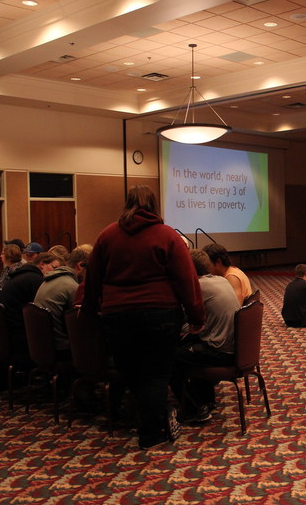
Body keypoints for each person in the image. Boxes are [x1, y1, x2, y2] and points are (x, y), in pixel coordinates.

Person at [82, 185, 204, 449]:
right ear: (154, 205)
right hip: (161, 314)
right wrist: (196, 315)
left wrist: (90, 313)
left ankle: (151, 422)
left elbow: (92, 279)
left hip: (117, 315)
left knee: (133, 374)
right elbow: (187, 280)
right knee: (157, 375)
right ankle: (151, 432)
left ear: (127, 203)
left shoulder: (107, 235)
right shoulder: (167, 236)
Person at [172, 249, 239, 422]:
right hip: (232, 347)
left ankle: (195, 409)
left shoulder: (198, 286)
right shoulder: (220, 280)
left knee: (169, 358)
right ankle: (206, 400)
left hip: (220, 352)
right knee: (189, 343)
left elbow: (182, 317)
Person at [0, 252, 60, 355]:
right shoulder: (35, 280)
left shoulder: (23, 276)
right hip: (20, 336)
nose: (56, 272)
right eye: (54, 268)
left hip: (8, 332)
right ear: (42, 264)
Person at [34, 246, 89, 354]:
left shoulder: (48, 281)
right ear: (80, 265)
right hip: (60, 347)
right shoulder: (71, 286)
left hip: (41, 345)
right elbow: (80, 323)